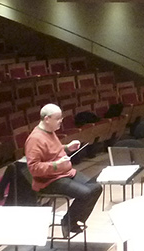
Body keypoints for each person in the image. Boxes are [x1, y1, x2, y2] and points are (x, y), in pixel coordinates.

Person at [24, 102, 102, 239]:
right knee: (86, 193)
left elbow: (53, 151)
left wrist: (67, 148)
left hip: (66, 173)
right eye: (58, 118)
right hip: (50, 181)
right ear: (47, 119)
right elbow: (34, 168)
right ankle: (68, 221)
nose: (61, 121)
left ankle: (73, 220)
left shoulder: (50, 132)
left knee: (96, 187)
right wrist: (56, 165)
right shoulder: (34, 139)